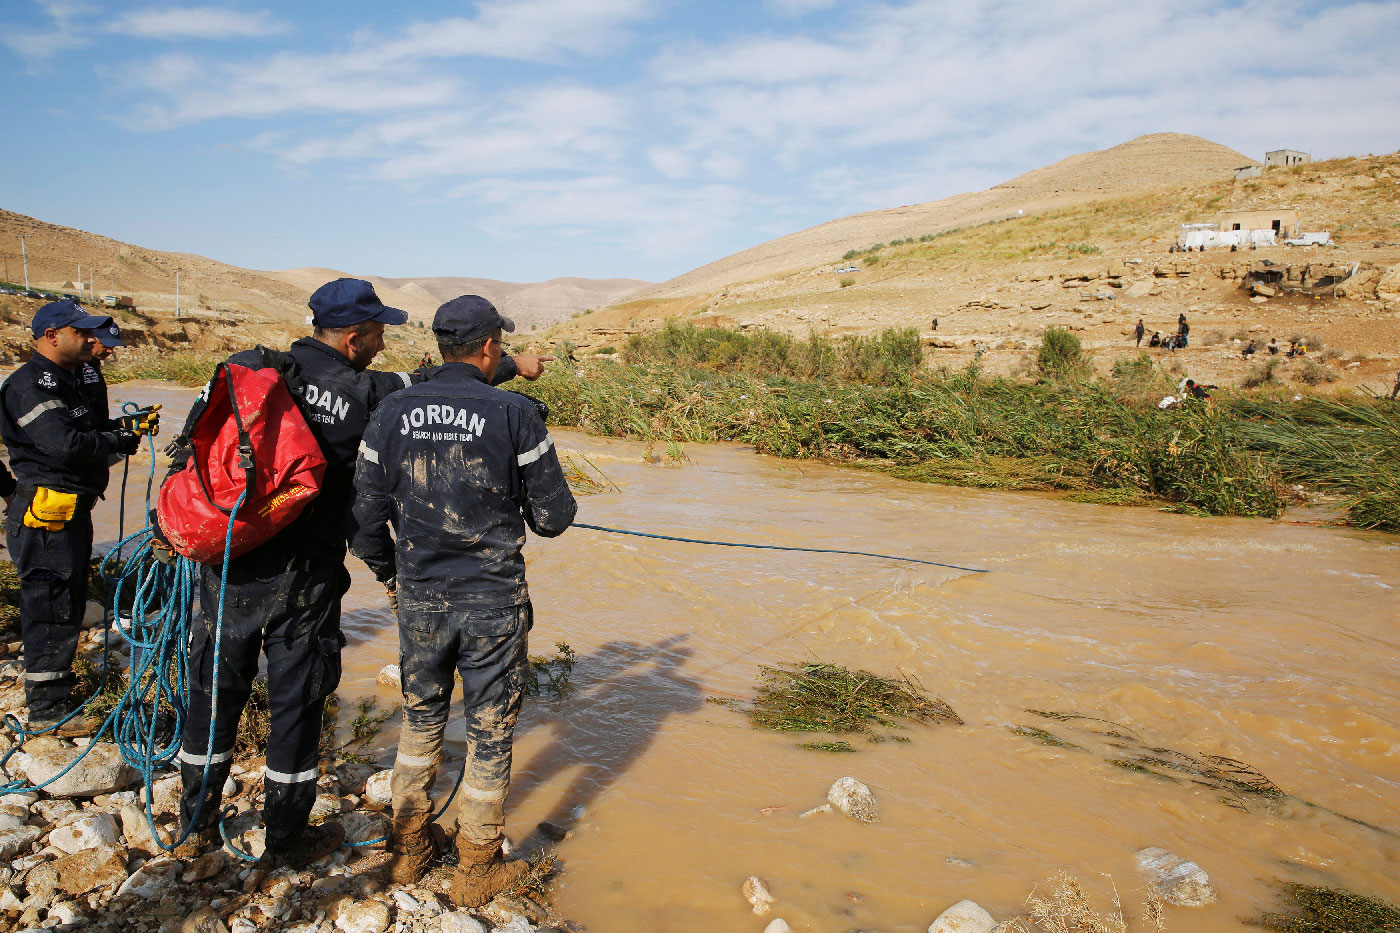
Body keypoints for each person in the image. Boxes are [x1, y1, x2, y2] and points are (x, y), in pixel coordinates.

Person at [170, 279, 552, 867]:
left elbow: (190, 451)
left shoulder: (252, 371)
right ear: (352, 338)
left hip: (228, 565)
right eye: (377, 333)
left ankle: (194, 827)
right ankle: (285, 840)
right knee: (296, 700)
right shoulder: (363, 391)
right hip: (305, 575)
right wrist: (514, 370)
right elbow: (443, 387)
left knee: (213, 693)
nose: (381, 341)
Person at [352, 295, 577, 906]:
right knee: (490, 729)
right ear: (487, 348)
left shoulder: (392, 410)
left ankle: (407, 853)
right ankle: (477, 868)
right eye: (499, 345)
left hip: (420, 597)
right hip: (493, 602)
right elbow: (555, 518)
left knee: (420, 720)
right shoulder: (515, 413)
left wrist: (392, 576)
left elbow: (366, 516)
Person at [0, 299, 157, 733]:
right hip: (46, 514)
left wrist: (122, 434)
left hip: (69, 509)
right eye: (81, 333)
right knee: (49, 609)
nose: (92, 340)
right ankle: (47, 713)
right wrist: (117, 438)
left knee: (65, 605)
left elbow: (89, 433)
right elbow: (65, 444)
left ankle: (56, 697)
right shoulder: (30, 385)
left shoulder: (71, 378)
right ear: (51, 336)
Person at [80, 317, 125, 419]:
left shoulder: (94, 365)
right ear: (91, 339)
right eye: (106, 345)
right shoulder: (76, 366)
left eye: (112, 347)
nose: (110, 351)